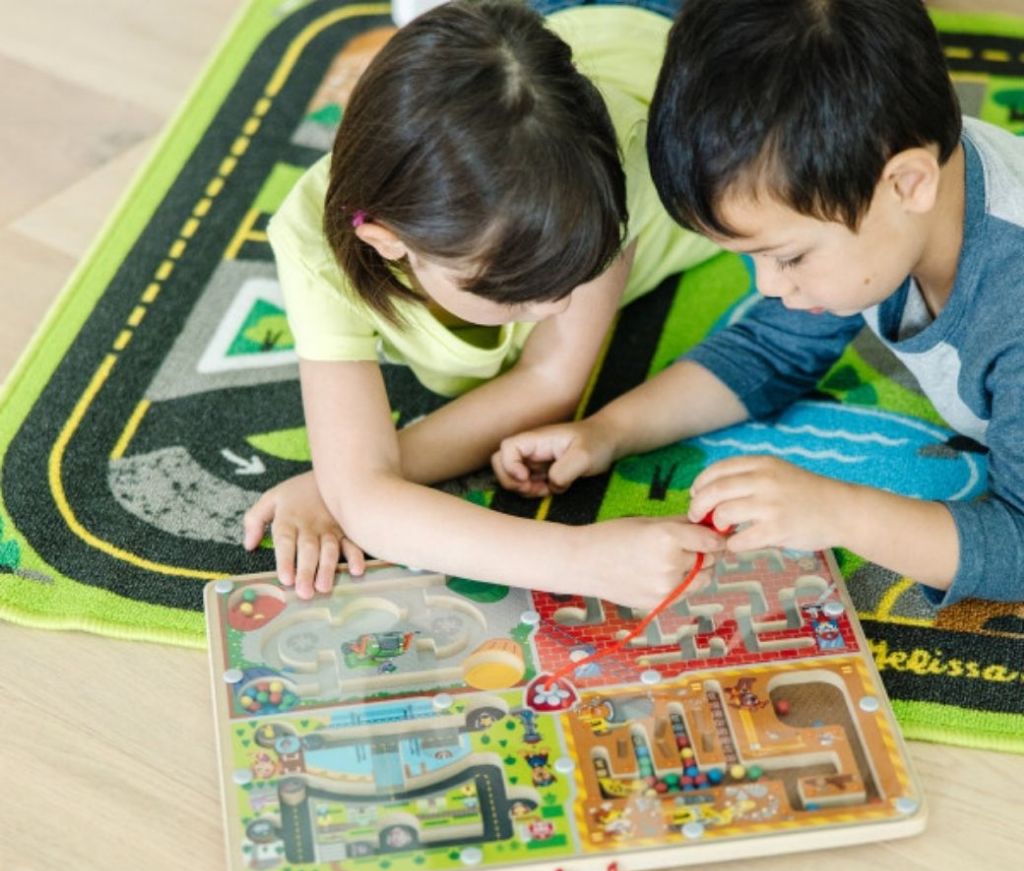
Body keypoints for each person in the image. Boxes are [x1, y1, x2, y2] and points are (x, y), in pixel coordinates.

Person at [493, 0, 1024, 607]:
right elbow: (771, 350)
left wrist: (840, 512)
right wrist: (607, 432)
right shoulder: (884, 193)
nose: (768, 286)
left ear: (908, 184)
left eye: (788, 257)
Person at [243, 0, 723, 607]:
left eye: (579, 270)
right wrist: (585, 561)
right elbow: (365, 501)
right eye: (514, 292)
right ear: (387, 241)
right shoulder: (313, 241)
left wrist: (344, 480)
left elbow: (549, 380)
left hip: (686, 37)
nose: (555, 306)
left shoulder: (601, 167)